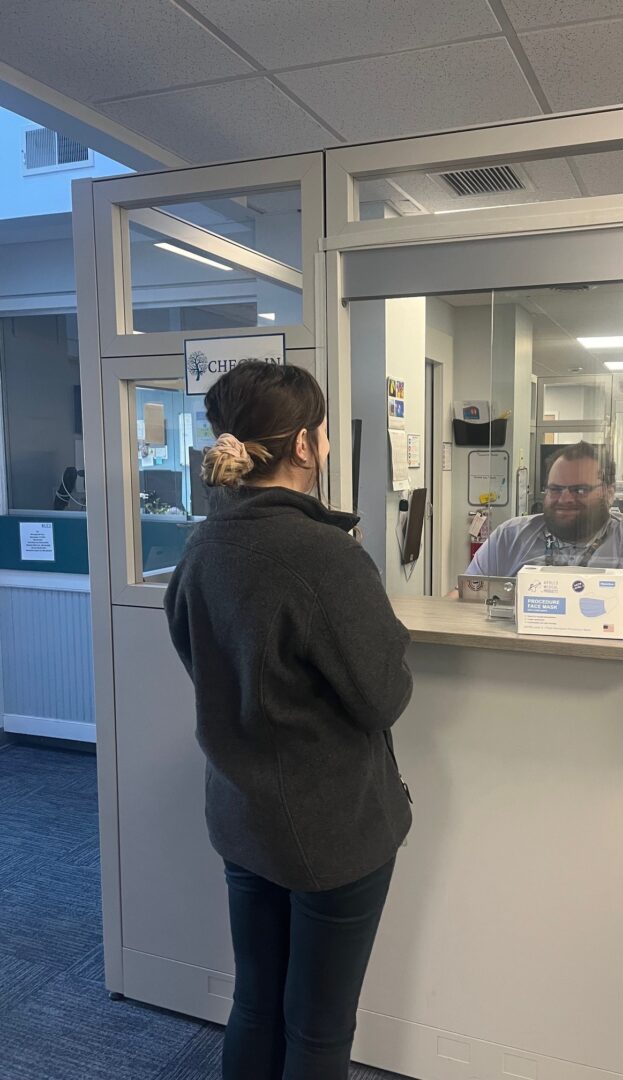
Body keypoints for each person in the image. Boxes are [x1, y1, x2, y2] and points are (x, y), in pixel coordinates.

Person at [164, 362, 413, 1080]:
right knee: (319, 1029)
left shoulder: (202, 547)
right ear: (304, 445)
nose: (328, 443)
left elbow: (200, 657)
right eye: (325, 431)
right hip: (332, 832)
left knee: (256, 1006)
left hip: (243, 819)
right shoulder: (322, 557)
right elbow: (382, 696)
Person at [465, 441, 623, 592]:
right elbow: (464, 597)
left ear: (610, 492)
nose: (565, 499)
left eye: (579, 490)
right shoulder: (510, 536)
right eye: (555, 489)